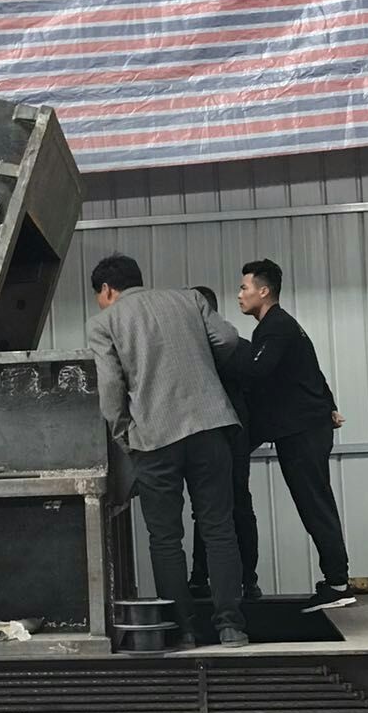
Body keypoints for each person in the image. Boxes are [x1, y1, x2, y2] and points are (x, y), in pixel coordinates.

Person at [88, 253, 249, 648]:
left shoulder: (104, 323)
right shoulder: (189, 298)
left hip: (154, 438)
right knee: (219, 529)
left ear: (106, 289)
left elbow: (109, 390)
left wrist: (125, 436)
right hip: (210, 426)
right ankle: (231, 626)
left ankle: (185, 630)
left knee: (165, 538)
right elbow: (228, 339)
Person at [237, 259, 354, 612]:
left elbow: (257, 373)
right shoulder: (282, 326)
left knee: (315, 504)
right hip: (305, 426)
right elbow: (310, 372)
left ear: (263, 291)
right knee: (316, 502)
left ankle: (337, 583)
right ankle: (336, 580)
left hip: (302, 431)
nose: (239, 294)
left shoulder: (275, 328)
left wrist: (225, 356)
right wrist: (329, 405)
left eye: (244, 288)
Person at [187, 285, 260, 602]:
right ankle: (246, 580)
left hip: (209, 438)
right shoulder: (238, 347)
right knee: (237, 506)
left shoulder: (191, 354)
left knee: (209, 509)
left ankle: (202, 578)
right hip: (233, 437)